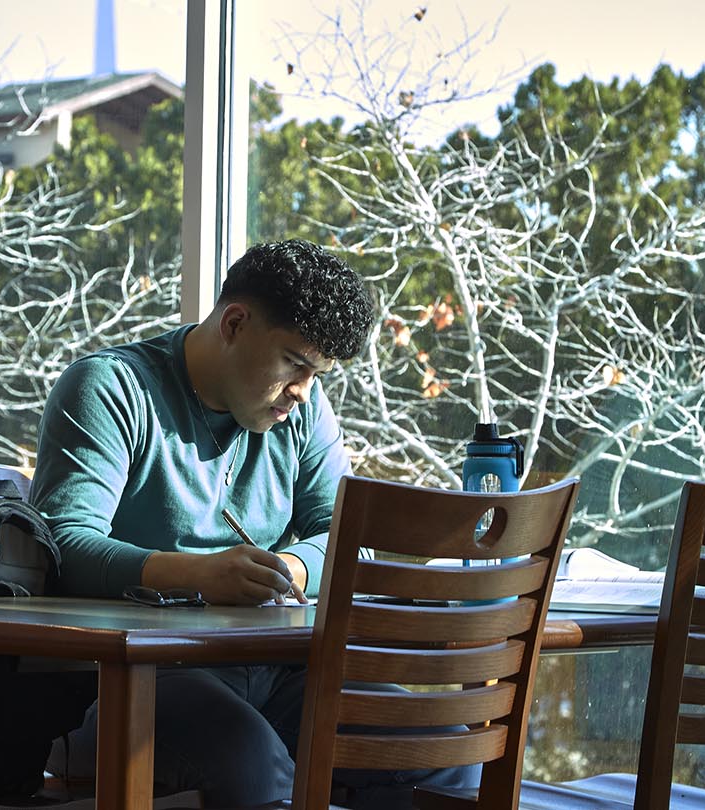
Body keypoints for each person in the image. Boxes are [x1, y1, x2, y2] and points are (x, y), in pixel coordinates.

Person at [30, 239, 481, 808]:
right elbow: (63, 546)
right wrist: (194, 576)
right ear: (235, 323)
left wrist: (288, 567)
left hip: (273, 670)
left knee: (449, 757)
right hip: (131, 680)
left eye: (318, 374)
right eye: (295, 363)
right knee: (252, 763)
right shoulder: (111, 388)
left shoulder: (303, 411)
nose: (303, 392)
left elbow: (352, 543)